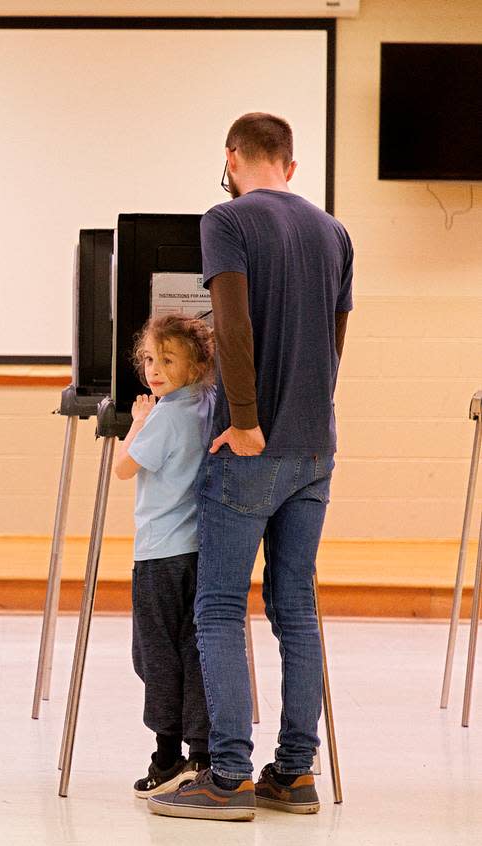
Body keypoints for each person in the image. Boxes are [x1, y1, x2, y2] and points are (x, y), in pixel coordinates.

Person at [149, 113, 353, 821]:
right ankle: (295, 774)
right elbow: (334, 341)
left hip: (252, 446)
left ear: (232, 159)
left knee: (218, 607)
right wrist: (306, 423)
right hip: (315, 447)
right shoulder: (335, 232)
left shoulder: (227, 219)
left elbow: (231, 325)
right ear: (290, 167)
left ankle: (229, 777)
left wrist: (242, 421)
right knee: (295, 608)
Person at [114, 314, 216, 798]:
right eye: (151, 358)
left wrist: (138, 420)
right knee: (194, 651)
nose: (154, 370)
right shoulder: (208, 403)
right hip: (200, 550)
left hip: (159, 554)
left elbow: (123, 468)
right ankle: (201, 753)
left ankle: (165, 757)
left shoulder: (167, 414)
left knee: (154, 654)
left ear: (196, 364)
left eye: (168, 359)